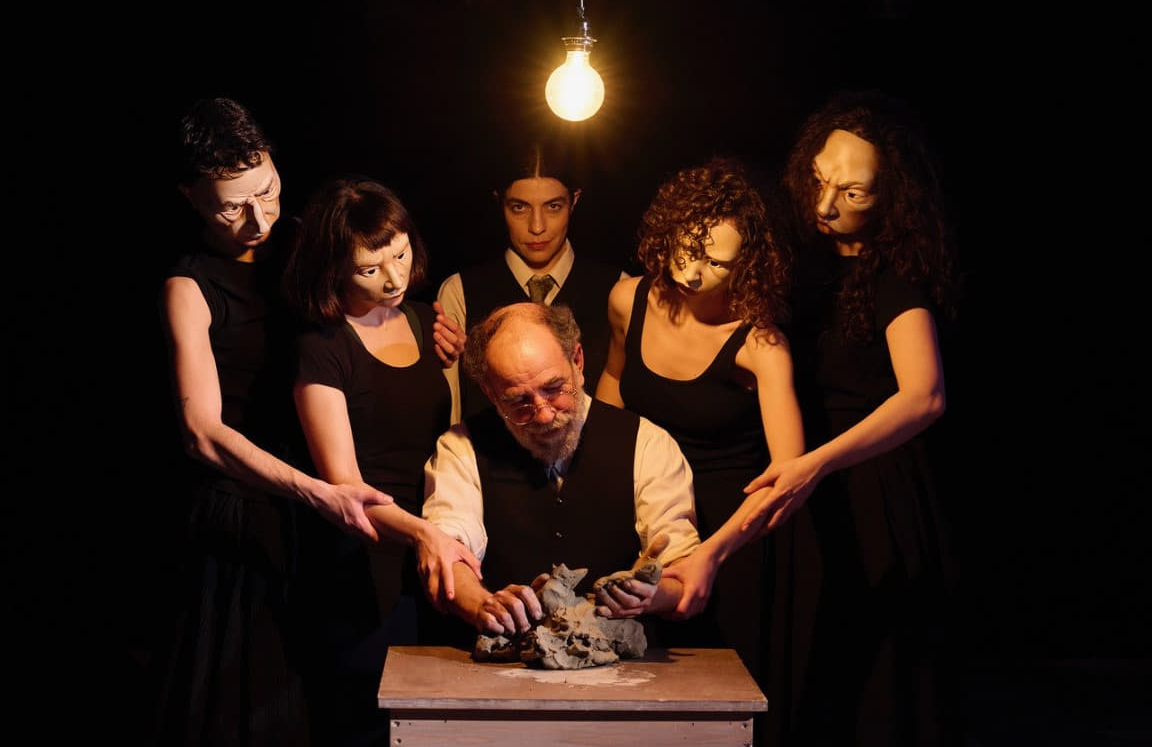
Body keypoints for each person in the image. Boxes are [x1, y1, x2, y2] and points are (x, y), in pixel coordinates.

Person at [148, 97, 394, 746]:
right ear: (191, 197)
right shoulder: (188, 287)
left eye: (267, 191)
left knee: (344, 705)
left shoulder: (306, 242)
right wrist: (313, 491)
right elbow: (202, 434)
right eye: (232, 207)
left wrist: (424, 330)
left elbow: (373, 300)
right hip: (246, 519)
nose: (258, 218)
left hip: (325, 512)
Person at [742, 89, 961, 747]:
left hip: (871, 491)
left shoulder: (893, 276)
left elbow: (925, 396)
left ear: (891, 198)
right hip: (807, 481)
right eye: (819, 181)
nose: (827, 204)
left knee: (872, 687)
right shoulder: (799, 263)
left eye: (853, 193)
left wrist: (815, 463)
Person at [281, 175, 483, 746]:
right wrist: (423, 534)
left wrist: (442, 532)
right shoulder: (322, 345)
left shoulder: (425, 320)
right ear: (332, 268)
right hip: (362, 558)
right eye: (370, 269)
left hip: (436, 541)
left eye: (401, 254)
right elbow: (345, 487)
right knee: (367, 723)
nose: (393, 278)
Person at [594, 155, 804, 683]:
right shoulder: (627, 299)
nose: (691, 271)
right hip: (647, 516)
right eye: (686, 249)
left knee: (720, 686)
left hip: (729, 535)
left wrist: (712, 553)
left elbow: (788, 479)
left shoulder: (761, 346)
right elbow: (613, 389)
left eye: (716, 263)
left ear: (748, 264)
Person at [422, 302, 702, 638]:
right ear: (490, 393)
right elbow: (448, 553)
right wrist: (483, 605)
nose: (543, 414)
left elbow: (684, 576)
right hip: (504, 656)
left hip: (621, 659)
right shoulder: (461, 447)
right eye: (518, 401)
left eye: (554, 389)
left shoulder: (647, 443)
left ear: (577, 362)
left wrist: (651, 595)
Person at [436, 134, 627, 422]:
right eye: (519, 207)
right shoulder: (460, 291)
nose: (537, 226)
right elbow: (450, 413)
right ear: (500, 203)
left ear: (574, 201)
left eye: (553, 206)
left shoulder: (617, 289)